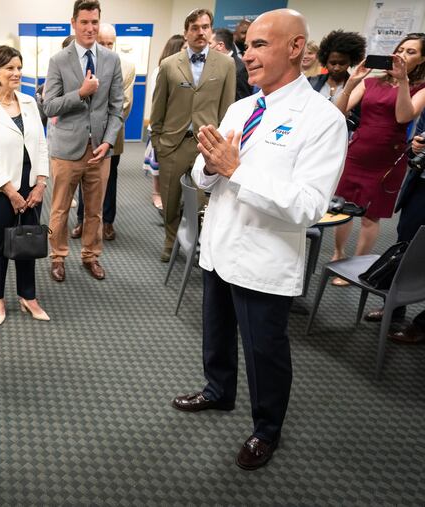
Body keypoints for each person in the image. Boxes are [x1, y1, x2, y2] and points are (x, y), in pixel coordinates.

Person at [173, 9, 348, 470]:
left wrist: (235, 168)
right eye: (246, 45)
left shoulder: (321, 120)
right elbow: (202, 175)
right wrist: (210, 167)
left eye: (259, 45)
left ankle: (267, 428)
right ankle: (218, 391)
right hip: (220, 247)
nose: (246, 55)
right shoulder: (242, 107)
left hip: (265, 260)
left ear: (295, 48)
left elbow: (309, 206)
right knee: (215, 336)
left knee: (264, 352)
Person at [330, 32, 425, 285]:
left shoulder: (420, 88)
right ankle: (338, 254)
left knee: (371, 216)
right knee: (343, 207)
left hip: (388, 160)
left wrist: (403, 81)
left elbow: (405, 116)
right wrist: (352, 82)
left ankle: (356, 266)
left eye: (411, 52)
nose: (403, 55)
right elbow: (339, 112)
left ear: (422, 59)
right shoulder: (371, 82)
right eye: (401, 49)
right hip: (357, 152)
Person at [42, 0, 124, 282]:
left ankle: (90, 255)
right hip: (66, 150)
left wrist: (109, 142)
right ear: (73, 23)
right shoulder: (59, 60)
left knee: (94, 211)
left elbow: (117, 107)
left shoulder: (112, 60)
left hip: (99, 151)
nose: (90, 28)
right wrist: (81, 92)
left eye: (94, 22)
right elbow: (49, 106)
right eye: (84, 22)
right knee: (60, 209)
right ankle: (57, 257)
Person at [0, 45, 50, 324]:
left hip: (30, 187)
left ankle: (28, 296)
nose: (17, 73)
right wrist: (11, 192)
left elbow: (41, 145)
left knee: (27, 242)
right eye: (10, 68)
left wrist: (40, 184)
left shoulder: (28, 102)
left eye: (19, 67)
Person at [150, 8, 235, 263]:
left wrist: (220, 144)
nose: (201, 32)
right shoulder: (168, 65)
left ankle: (197, 245)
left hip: (206, 145)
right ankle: (170, 241)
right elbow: (158, 107)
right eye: (195, 27)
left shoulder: (226, 64)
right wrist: (158, 142)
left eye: (205, 27)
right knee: (170, 199)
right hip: (172, 144)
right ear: (186, 32)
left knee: (199, 203)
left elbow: (227, 108)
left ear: (211, 31)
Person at [365, 111, 425, 340]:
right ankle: (393, 306)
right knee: (404, 247)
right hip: (419, 188)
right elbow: (415, 142)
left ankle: (422, 325)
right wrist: (416, 147)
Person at [72, 22, 135, 242]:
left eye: (110, 43)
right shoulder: (83, 63)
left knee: (109, 179)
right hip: (84, 134)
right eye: (102, 42)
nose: (106, 47)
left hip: (111, 135)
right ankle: (81, 220)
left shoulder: (125, 66)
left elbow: (124, 104)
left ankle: (107, 222)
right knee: (83, 177)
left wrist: (106, 132)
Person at [145, 34, 185, 211]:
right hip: (162, 125)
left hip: (179, 127)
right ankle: (157, 193)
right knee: (158, 163)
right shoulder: (161, 70)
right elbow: (159, 101)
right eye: (184, 49)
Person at [309, 30, 366, 104]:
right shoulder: (311, 82)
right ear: (325, 61)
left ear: (350, 62)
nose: (337, 68)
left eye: (342, 63)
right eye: (332, 63)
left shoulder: (357, 87)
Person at [210, 28, 252, 101]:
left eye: (209, 43)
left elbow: (242, 101)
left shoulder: (239, 70)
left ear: (220, 45)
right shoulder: (214, 65)